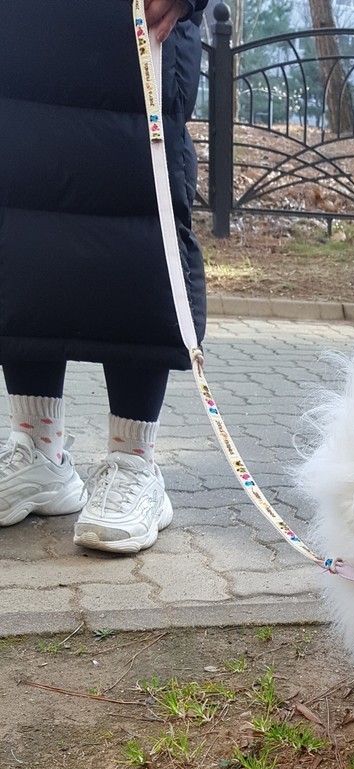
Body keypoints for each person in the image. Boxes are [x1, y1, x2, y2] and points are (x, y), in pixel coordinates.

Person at [0, 0, 208, 553]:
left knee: (133, 234)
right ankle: (38, 450)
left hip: (133, 21)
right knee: (22, 228)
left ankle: (134, 463)